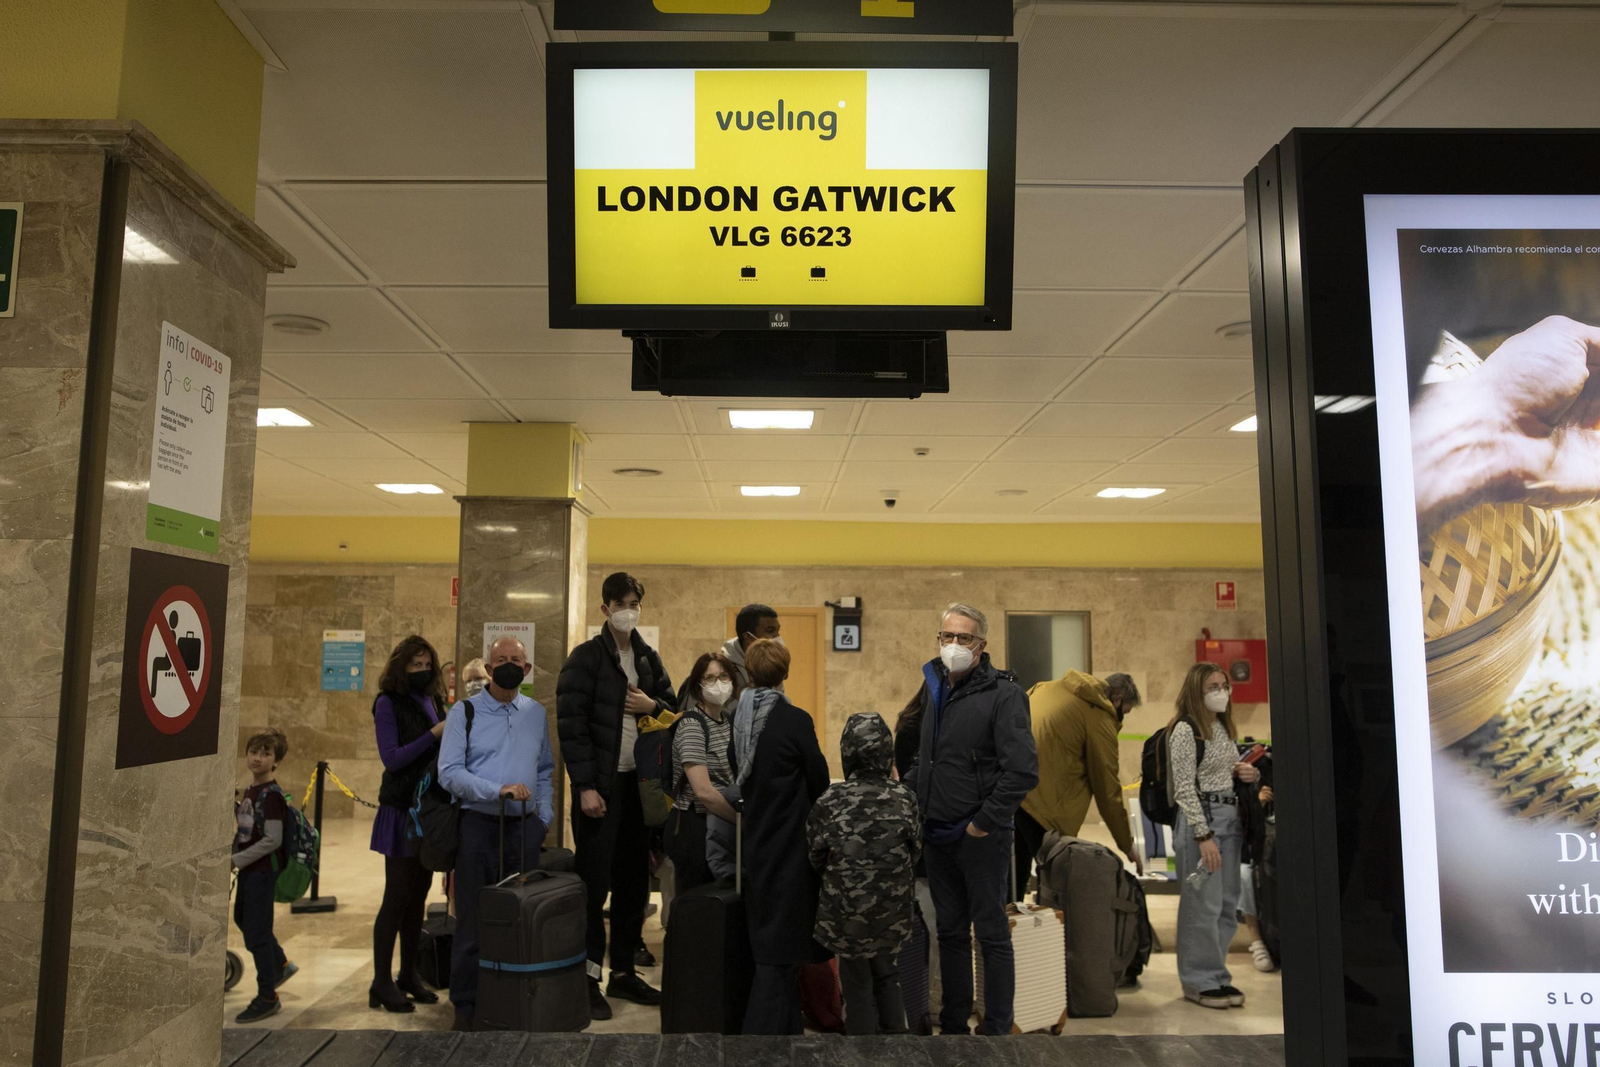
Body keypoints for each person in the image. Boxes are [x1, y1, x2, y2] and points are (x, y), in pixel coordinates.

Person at [905, 604, 1038, 1036]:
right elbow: (929, 758)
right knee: (951, 933)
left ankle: (996, 1028)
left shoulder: (1004, 694)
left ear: (981, 646)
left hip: (981, 836)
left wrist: (983, 822)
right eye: (947, 636)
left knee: (992, 934)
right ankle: (954, 1023)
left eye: (964, 638)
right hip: (937, 833)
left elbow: (1022, 771)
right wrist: (909, 796)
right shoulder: (934, 685)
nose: (954, 645)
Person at [556, 571, 676, 1019]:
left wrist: (652, 706)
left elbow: (672, 710)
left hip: (638, 787)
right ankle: (588, 977)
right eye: (621, 604)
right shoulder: (585, 658)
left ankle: (623, 971)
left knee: (633, 884)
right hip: (600, 790)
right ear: (605, 608)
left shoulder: (647, 657)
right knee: (593, 886)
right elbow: (572, 727)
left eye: (635, 604)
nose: (629, 611)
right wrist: (585, 786)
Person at [437, 636, 555, 1032]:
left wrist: (543, 818)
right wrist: (496, 791)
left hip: (524, 831)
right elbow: (449, 772)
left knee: (520, 918)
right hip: (478, 827)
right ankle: (466, 1004)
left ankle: (514, 1000)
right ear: (489, 669)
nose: (508, 665)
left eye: (515, 659)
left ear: (527, 669)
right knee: (472, 921)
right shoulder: (464, 711)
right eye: (500, 659)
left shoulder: (536, 713)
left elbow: (544, 770)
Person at [735, 638, 831, 1034]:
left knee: (775, 947)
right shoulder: (793, 719)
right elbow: (819, 778)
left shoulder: (739, 720)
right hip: (791, 846)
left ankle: (788, 1033)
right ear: (785, 673)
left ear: (749, 673)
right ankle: (757, 1046)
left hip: (756, 840)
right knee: (779, 955)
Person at [806, 713, 920, 1036]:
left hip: (847, 914)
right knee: (888, 976)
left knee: (857, 986)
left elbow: (815, 854)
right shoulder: (905, 798)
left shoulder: (831, 799)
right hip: (892, 913)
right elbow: (915, 851)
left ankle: (863, 1053)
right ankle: (896, 1045)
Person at [1169, 662, 1261, 1010]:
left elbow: (1221, 773)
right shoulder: (1185, 729)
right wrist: (1202, 834)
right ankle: (1198, 979)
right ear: (1197, 690)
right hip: (1203, 821)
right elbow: (1184, 787)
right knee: (1201, 904)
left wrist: (1247, 773)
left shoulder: (1222, 727)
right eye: (1213, 686)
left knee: (1225, 903)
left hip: (1229, 818)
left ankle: (1216, 974)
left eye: (1224, 685)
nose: (1222, 692)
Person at [369, 635, 449, 1013]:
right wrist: (433, 734)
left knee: (419, 896)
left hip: (428, 809)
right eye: (415, 665)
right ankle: (380, 981)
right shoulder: (387, 702)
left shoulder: (433, 699)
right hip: (401, 809)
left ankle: (408, 974)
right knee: (397, 897)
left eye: (427, 665)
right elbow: (392, 758)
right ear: (401, 667)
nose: (423, 671)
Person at [1017, 671, 1144, 899]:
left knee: (1012, 878)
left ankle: (1007, 920)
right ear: (1117, 700)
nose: (1121, 720)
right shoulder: (1099, 716)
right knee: (1056, 886)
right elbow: (1107, 789)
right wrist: (1126, 845)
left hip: (1007, 795)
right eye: (1124, 713)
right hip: (1043, 809)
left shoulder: (1045, 688)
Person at [232, 728, 295, 1023]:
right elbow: (250, 826)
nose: (258, 758)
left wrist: (235, 860)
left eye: (266, 753)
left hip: (262, 870)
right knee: (243, 919)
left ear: (276, 761)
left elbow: (272, 839)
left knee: (257, 933)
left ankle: (267, 996)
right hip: (250, 869)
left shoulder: (271, 795)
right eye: (254, 752)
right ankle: (280, 964)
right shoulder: (252, 790)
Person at [665, 652, 741, 896]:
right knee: (695, 903)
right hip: (694, 826)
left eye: (723, 676)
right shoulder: (692, 725)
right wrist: (740, 820)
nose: (718, 683)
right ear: (698, 685)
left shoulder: (727, 720)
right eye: (709, 678)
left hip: (718, 823)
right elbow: (704, 792)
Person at [722, 603, 782, 693]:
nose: (777, 636)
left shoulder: (773, 662)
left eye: (778, 630)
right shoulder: (723, 666)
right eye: (770, 631)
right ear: (748, 637)